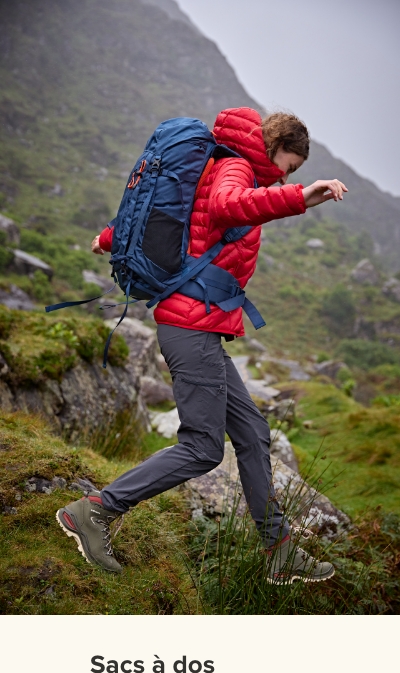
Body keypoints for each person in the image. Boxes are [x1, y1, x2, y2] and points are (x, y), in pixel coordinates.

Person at [57, 107, 347, 582]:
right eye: (288, 166)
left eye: (291, 174)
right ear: (272, 147)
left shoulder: (222, 164)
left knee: (252, 435)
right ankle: (95, 510)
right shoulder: (235, 167)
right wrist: (301, 196)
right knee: (202, 448)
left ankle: (280, 552)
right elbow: (226, 207)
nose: (283, 176)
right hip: (190, 330)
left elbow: (182, 221)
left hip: (200, 327)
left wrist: (111, 238)